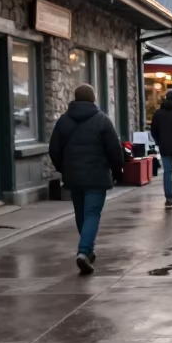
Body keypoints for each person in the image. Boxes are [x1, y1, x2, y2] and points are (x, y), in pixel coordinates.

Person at [48, 83, 124, 275]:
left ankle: (88, 250)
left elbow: (54, 149)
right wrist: (118, 172)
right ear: (93, 99)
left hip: (74, 177)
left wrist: (63, 169)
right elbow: (114, 150)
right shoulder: (102, 121)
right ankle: (83, 252)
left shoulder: (63, 121)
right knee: (92, 214)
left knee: (81, 214)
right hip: (97, 177)